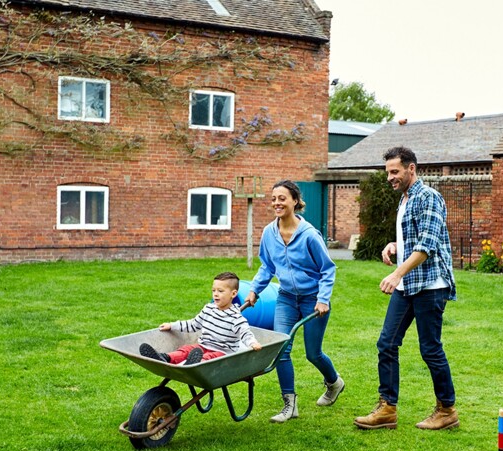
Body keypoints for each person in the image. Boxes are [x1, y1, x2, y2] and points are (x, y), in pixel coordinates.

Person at [354, 146, 459, 431]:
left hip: (430, 285)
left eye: (395, 171)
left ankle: (447, 409)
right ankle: (387, 408)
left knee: (430, 349)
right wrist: (396, 245)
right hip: (409, 284)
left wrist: (396, 273)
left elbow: (427, 245)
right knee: (386, 343)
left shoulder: (429, 197)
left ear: (411, 169)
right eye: (388, 172)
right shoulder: (405, 199)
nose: (390, 177)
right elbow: (415, 239)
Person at [244, 179, 344, 423]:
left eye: (283, 198)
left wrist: (323, 299)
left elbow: (327, 269)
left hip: (313, 300)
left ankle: (334, 383)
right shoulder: (269, 232)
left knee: (313, 353)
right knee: (281, 349)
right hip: (286, 297)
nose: (277, 203)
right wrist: (255, 290)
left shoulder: (309, 235)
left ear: (296, 202)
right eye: (274, 199)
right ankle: (290, 404)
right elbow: (267, 266)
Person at [140, 272, 262, 365]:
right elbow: (193, 324)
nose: (215, 294)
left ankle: (194, 365)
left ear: (233, 294)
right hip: (204, 346)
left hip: (223, 352)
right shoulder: (209, 309)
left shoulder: (236, 317)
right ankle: (165, 357)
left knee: (209, 359)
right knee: (187, 349)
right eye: (213, 290)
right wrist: (172, 325)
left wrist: (252, 343)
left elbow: (245, 333)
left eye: (220, 291)